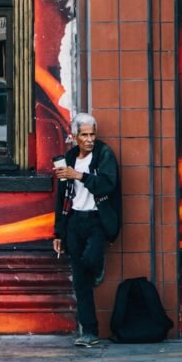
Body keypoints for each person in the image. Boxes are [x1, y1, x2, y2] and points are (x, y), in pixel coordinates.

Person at [53, 113, 121, 348]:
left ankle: (97, 265)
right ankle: (89, 332)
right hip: (74, 222)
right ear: (74, 137)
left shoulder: (104, 154)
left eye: (92, 134)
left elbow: (107, 184)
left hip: (96, 221)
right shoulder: (69, 158)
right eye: (84, 135)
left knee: (90, 259)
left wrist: (79, 175)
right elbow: (62, 197)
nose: (90, 139)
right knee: (80, 281)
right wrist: (59, 233)